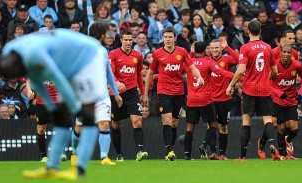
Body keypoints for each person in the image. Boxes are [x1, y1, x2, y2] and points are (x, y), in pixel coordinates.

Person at [0, 29, 108, 180]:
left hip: (87, 57)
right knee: (61, 115)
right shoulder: (8, 52)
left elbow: (57, 78)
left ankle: (80, 170)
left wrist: (75, 109)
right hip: (67, 60)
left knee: (87, 114)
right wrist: (52, 107)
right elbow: (36, 79)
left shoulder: (34, 54)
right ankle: (51, 168)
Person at [143, 27, 204, 161]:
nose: (168, 39)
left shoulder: (182, 52)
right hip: (164, 91)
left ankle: (171, 149)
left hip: (179, 91)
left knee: (175, 122)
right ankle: (169, 151)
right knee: (167, 119)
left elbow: (192, 67)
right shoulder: (157, 53)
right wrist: (145, 93)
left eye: (170, 37)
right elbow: (150, 73)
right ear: (163, 38)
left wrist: (199, 77)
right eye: (166, 37)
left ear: (175, 38)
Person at [226, 20, 279, 161]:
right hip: (265, 89)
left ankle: (243, 156)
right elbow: (275, 70)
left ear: (248, 31)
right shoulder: (268, 47)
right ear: (260, 31)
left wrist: (231, 85)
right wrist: (267, 78)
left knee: (246, 121)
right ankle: (273, 145)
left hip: (250, 89)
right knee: (267, 119)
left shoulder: (245, 48)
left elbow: (241, 70)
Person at [71, 22, 123, 166]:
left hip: (102, 95)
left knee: (104, 123)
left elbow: (108, 73)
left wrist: (116, 93)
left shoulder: (104, 51)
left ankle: (104, 157)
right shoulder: (82, 49)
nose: (109, 35)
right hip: (84, 95)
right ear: (101, 34)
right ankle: (74, 153)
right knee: (79, 127)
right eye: (107, 32)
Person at [259, 45, 302, 161]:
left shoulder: (297, 65)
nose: (286, 54)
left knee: (294, 128)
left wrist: (300, 93)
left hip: (292, 99)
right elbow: (266, 83)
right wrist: (278, 92)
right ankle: (283, 154)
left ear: (291, 54)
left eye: (289, 52)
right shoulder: (275, 66)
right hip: (277, 100)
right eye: (284, 52)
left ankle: (288, 140)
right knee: (281, 128)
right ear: (280, 53)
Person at [183, 41, 235, 160]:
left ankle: (187, 154)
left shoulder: (188, 63)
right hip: (205, 99)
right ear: (205, 50)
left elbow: (181, 67)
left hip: (191, 100)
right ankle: (204, 144)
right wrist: (241, 77)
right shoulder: (208, 62)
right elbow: (222, 72)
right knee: (214, 124)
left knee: (190, 127)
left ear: (194, 49)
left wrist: (190, 52)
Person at [109, 30, 148, 161]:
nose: (128, 42)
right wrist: (116, 82)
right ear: (121, 40)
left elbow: (138, 75)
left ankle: (140, 151)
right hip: (116, 93)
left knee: (137, 121)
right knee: (115, 124)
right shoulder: (113, 54)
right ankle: (119, 153)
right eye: (126, 40)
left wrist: (143, 93)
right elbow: (110, 72)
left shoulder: (137, 55)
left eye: (130, 40)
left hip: (132, 93)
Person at [207, 38, 239, 160]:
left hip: (225, 98)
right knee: (211, 125)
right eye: (212, 48)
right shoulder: (207, 61)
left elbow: (238, 59)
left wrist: (228, 47)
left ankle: (222, 153)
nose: (214, 50)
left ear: (221, 48)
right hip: (210, 99)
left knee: (223, 127)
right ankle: (213, 152)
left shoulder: (226, 59)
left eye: (217, 47)